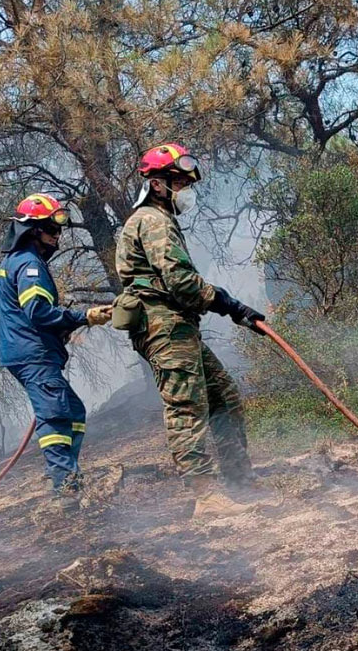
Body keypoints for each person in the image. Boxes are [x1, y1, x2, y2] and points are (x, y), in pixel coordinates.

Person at [113, 143, 264, 517]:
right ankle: (206, 497)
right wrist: (227, 303)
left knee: (222, 396)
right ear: (159, 184)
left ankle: (239, 482)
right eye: (180, 182)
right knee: (187, 407)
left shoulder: (159, 221)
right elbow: (180, 281)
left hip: (179, 326)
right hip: (163, 326)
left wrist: (229, 305)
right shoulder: (152, 220)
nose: (186, 190)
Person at [0, 193, 113, 512]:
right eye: (52, 229)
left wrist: (70, 324)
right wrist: (83, 316)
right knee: (57, 415)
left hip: (26, 352)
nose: (57, 236)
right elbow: (37, 312)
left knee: (73, 411)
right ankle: (65, 487)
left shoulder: (13, 262)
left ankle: (67, 474)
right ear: (33, 230)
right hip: (33, 354)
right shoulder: (30, 265)